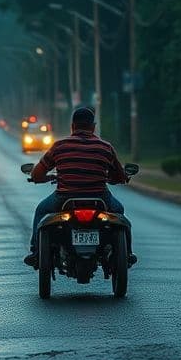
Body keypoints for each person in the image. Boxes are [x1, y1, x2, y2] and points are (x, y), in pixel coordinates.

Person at [23, 106, 135, 267]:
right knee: (120, 212)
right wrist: (117, 178)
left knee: (41, 211)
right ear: (93, 126)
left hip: (64, 199)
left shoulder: (59, 146)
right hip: (100, 199)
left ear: (73, 126)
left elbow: (37, 174)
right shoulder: (105, 147)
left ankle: (35, 252)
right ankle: (127, 254)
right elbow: (118, 176)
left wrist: (44, 177)